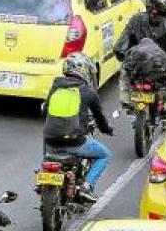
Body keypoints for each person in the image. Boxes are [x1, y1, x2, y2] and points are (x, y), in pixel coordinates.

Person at [43, 53, 114, 204]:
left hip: (51, 142)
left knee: (47, 144)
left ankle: (43, 176)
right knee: (105, 155)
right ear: (84, 71)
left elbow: (45, 111)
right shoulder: (89, 93)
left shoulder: (55, 87)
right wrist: (107, 130)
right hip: (75, 143)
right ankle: (86, 187)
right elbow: (99, 118)